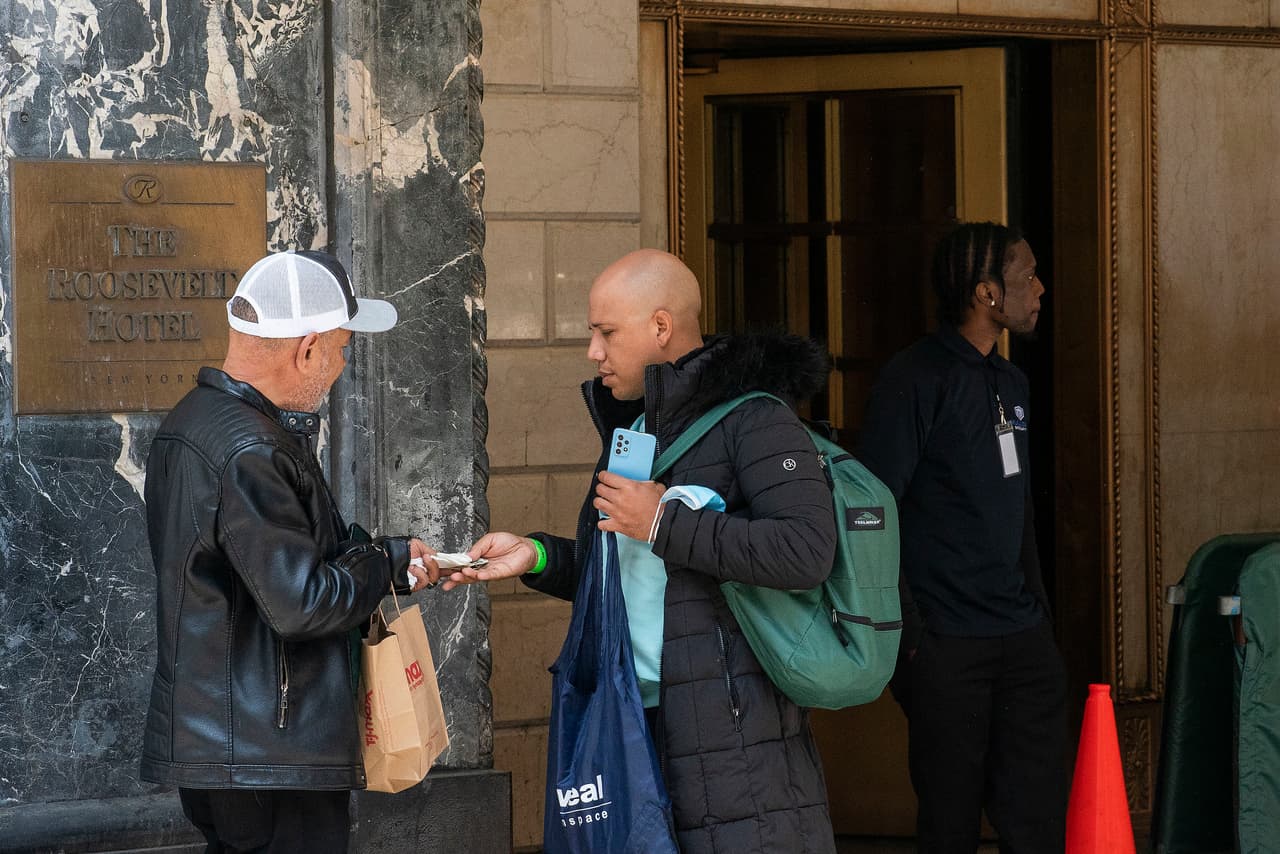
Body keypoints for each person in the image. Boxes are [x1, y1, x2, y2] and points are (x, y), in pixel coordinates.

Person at [446, 249, 838, 853]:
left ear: (661, 326)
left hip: (734, 739)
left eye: (606, 333)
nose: (592, 352)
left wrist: (661, 520)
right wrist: (537, 556)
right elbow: (623, 572)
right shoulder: (633, 431)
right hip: (632, 721)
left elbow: (805, 550)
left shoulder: (757, 419)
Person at [140, 250, 439, 853]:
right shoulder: (252, 448)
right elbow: (301, 603)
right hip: (268, 754)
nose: (342, 364)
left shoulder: (194, 421)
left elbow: (275, 567)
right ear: (306, 350)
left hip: (229, 745)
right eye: (341, 347)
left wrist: (391, 564)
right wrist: (382, 563)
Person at [856, 222, 1067, 853]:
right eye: (1027, 276)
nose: (1040, 288)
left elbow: (1018, 510)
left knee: (1036, 823)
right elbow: (873, 509)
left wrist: (1040, 619)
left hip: (1021, 639)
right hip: (947, 645)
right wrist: (912, 639)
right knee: (949, 826)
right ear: (986, 293)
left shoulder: (1012, 382)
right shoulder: (915, 379)